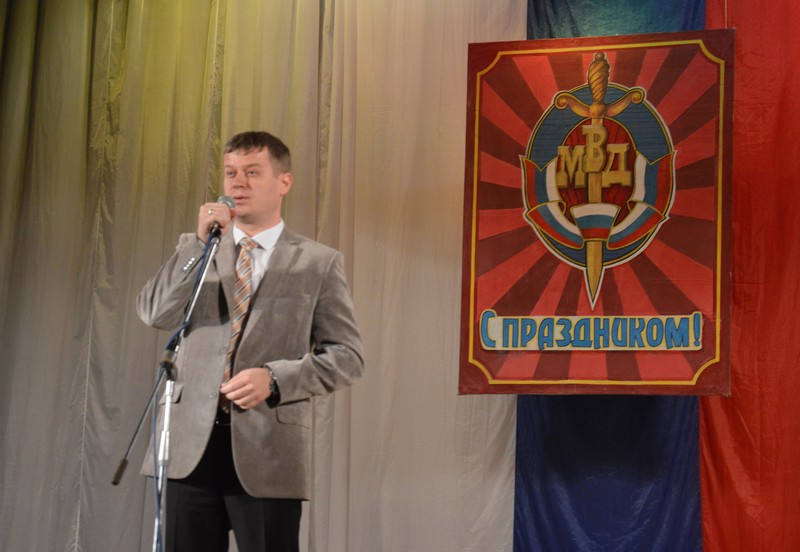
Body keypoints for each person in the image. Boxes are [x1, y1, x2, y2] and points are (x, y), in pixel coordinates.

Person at [136, 131, 364, 552]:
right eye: (230, 173)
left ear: (284, 182)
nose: (237, 183)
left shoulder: (318, 262)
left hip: (268, 449)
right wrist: (198, 246)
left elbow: (347, 356)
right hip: (188, 447)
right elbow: (154, 313)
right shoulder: (198, 249)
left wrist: (275, 380)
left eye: (253, 172)